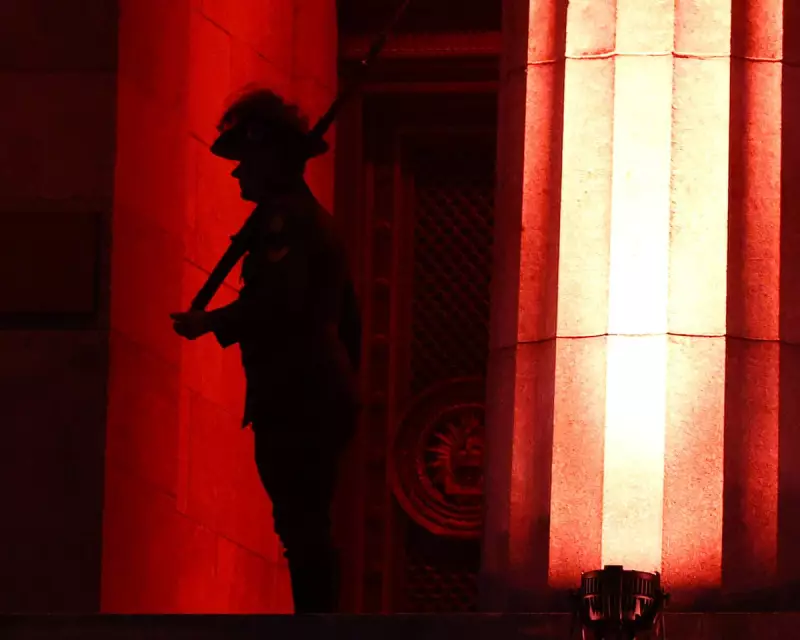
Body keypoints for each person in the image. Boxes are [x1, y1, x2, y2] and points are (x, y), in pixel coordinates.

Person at [170, 87, 361, 614]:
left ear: (271, 160)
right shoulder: (298, 221)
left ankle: (316, 623)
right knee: (301, 519)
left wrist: (211, 322)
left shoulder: (288, 223)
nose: (238, 173)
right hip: (309, 390)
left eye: (246, 161)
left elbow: (279, 301)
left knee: (303, 521)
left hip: (300, 393)